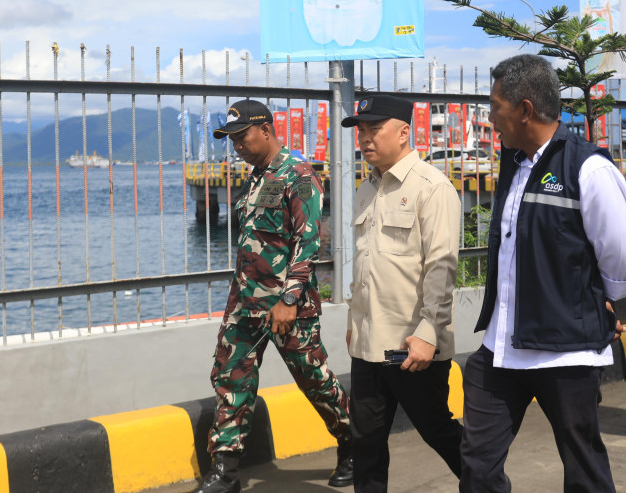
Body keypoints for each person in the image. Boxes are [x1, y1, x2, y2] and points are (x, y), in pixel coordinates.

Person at [460, 54, 626, 493]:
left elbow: (620, 258)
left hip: (565, 351)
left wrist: (599, 300)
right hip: (500, 348)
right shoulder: (513, 163)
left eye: (495, 105)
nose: (490, 117)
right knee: (478, 468)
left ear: (524, 109)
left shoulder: (588, 169)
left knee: (584, 470)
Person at [192, 99, 352, 493]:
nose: (237, 146)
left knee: (313, 377)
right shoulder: (256, 177)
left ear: (266, 129)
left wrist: (290, 299)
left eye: (242, 136)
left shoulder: (297, 173)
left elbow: (308, 240)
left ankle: (354, 444)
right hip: (245, 305)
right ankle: (225, 472)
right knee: (230, 377)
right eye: (230, 139)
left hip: (286, 307)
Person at [341, 94, 463, 493]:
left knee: (438, 433)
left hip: (411, 346)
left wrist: (429, 333)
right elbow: (366, 265)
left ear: (403, 132)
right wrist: (353, 323)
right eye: (361, 131)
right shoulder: (367, 189)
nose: (365, 139)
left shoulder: (432, 188)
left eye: (374, 129)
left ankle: (490, 485)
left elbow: (441, 269)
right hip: (368, 344)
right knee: (366, 442)